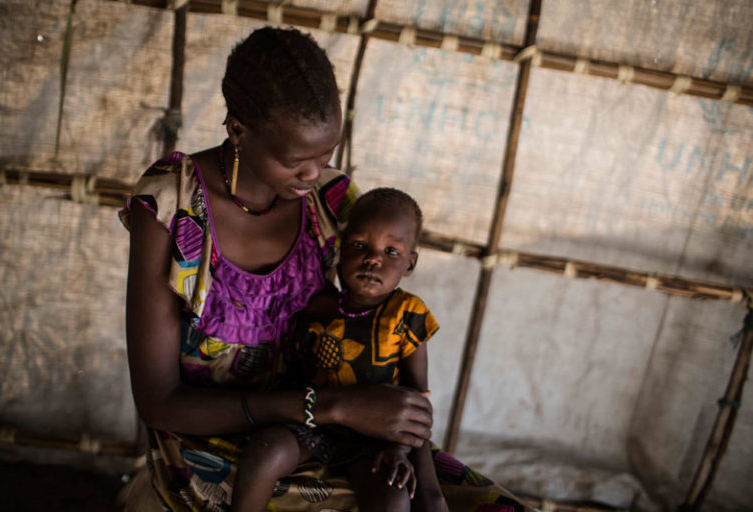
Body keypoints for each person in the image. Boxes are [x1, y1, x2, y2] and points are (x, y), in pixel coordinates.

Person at [121, 24, 527, 512]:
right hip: (208, 452)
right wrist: (326, 406)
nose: (313, 175)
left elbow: (372, 321)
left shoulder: (331, 200)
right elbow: (159, 401)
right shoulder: (172, 204)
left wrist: (384, 422)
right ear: (238, 130)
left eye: (326, 155)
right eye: (296, 161)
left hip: (326, 431)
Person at [231, 188, 448, 512]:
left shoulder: (407, 314)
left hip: (375, 437)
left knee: (393, 498)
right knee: (264, 452)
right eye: (360, 245)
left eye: (391, 251)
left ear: (410, 263)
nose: (373, 258)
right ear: (341, 250)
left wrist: (398, 451)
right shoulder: (316, 306)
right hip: (312, 423)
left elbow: (416, 397)